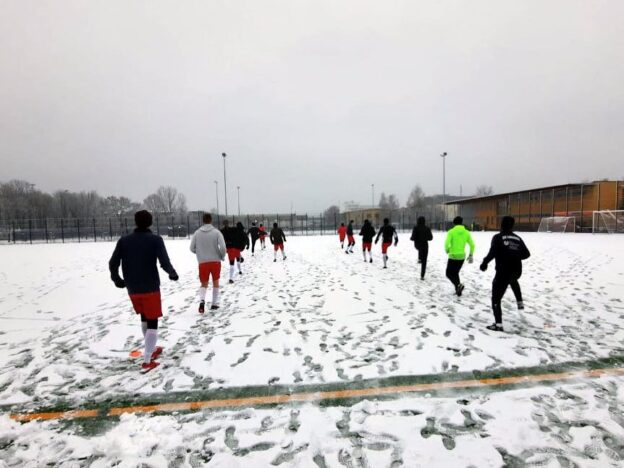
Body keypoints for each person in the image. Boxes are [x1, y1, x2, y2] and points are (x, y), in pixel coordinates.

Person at [109, 210, 178, 371]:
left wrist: (117, 279)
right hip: (150, 287)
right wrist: (172, 273)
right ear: (150, 222)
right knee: (152, 321)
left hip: (132, 288)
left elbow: (113, 263)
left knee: (144, 318)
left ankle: (151, 349)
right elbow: (164, 261)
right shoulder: (155, 240)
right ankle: (147, 359)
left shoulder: (124, 241)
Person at [480, 216, 530, 332]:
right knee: (512, 280)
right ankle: (520, 301)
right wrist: (515, 255)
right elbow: (527, 254)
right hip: (517, 271)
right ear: (512, 225)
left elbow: (492, 252)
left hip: (503, 271)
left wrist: (484, 263)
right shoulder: (518, 238)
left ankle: (498, 325)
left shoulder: (498, 237)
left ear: (501, 224)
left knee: (496, 298)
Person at [190, 213, 226, 314]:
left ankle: (202, 300)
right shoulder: (217, 232)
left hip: (203, 262)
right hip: (215, 261)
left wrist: (199, 253)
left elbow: (191, 248)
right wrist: (222, 256)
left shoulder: (197, 233)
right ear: (211, 220)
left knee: (204, 283)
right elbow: (223, 247)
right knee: (215, 282)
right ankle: (214, 303)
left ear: (203, 221)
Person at [444, 216, 475, 296]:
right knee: (455, 273)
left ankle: (458, 285)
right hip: (462, 256)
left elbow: (446, 243)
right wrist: (471, 254)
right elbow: (472, 245)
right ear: (461, 223)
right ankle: (458, 291)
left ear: (454, 223)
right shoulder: (466, 232)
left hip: (453, 255)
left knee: (448, 273)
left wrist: (447, 250)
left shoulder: (451, 231)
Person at [220, 220, 240, 284]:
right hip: (232, 247)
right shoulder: (232, 229)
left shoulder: (221, 231)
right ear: (228, 223)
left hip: (228, 247)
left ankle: (231, 278)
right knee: (233, 262)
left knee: (231, 263)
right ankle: (231, 278)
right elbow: (239, 229)